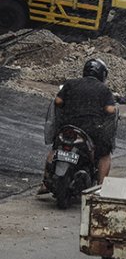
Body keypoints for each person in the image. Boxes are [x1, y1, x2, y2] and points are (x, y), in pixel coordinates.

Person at [38, 58, 116, 194]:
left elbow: (58, 101)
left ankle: (45, 182)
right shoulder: (104, 89)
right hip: (91, 130)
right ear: (102, 75)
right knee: (105, 154)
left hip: (67, 127)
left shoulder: (70, 83)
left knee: (55, 148)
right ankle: (101, 187)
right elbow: (110, 110)